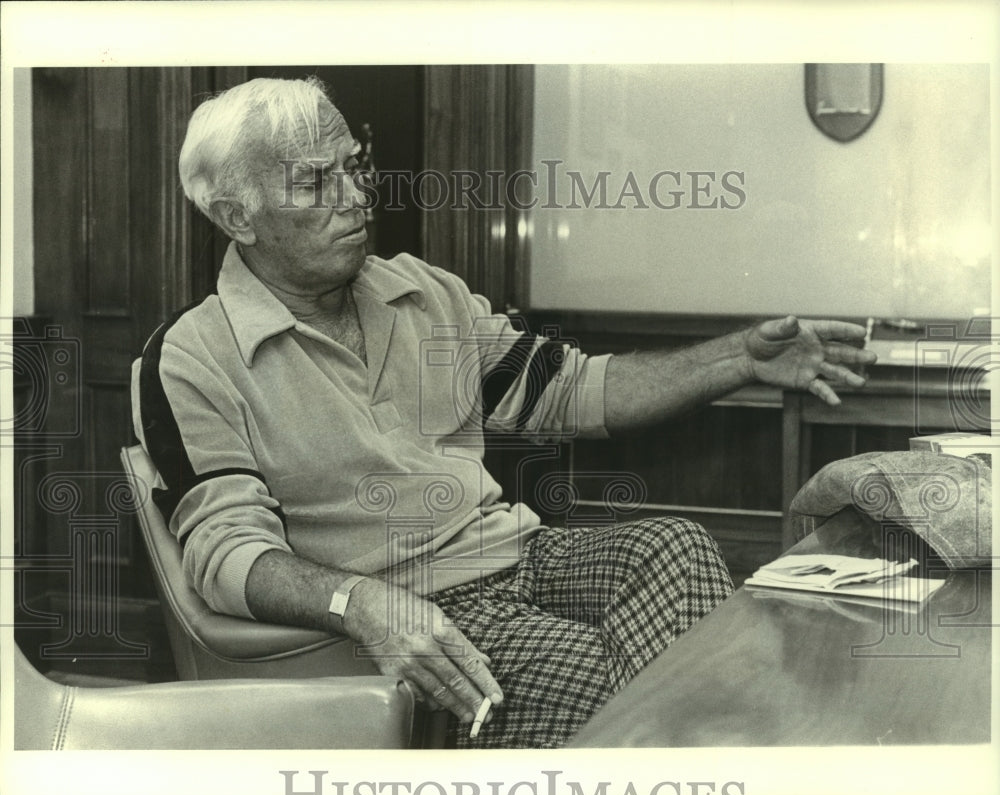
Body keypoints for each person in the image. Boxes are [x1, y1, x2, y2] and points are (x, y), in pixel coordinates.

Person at [132, 76, 877, 748]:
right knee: (637, 685)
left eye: (353, 168)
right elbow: (224, 551)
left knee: (676, 548)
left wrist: (739, 358)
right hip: (405, 604)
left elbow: (572, 389)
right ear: (238, 216)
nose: (357, 198)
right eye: (315, 183)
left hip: (519, 557)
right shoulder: (192, 355)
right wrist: (360, 602)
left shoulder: (421, 292)